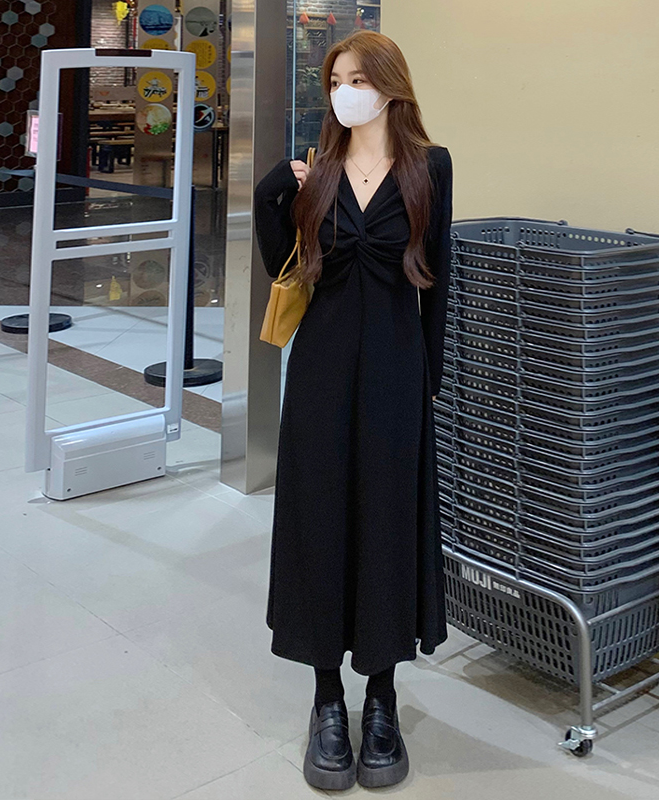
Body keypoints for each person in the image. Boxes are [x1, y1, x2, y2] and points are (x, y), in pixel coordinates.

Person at [253, 29, 453, 791]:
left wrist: (430, 378)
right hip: (322, 372)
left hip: (398, 372)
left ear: (392, 87)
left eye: (359, 79)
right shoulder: (319, 170)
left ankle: (383, 699)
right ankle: (327, 698)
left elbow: (438, 277)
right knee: (320, 521)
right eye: (336, 79)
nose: (345, 91)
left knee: (387, 524)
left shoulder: (430, 166)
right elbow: (283, 266)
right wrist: (276, 190)